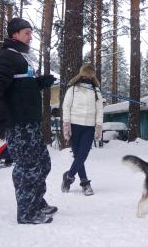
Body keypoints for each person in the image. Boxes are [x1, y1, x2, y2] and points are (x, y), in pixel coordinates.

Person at [0, 17, 57, 224]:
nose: (30, 36)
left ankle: (36, 202)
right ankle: (27, 212)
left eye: (31, 32)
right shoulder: (5, 57)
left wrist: (39, 83)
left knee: (42, 163)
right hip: (18, 123)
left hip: (30, 122)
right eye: (27, 32)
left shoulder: (21, 57)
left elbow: (19, 87)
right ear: (14, 34)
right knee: (27, 167)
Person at [61, 64, 103, 196]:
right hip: (74, 125)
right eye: (85, 75)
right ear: (80, 75)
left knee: (83, 155)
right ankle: (85, 183)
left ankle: (68, 177)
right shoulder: (72, 89)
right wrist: (66, 124)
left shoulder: (96, 91)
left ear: (92, 76)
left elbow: (100, 110)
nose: (87, 77)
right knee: (78, 156)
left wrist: (98, 125)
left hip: (89, 127)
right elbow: (66, 106)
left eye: (90, 76)